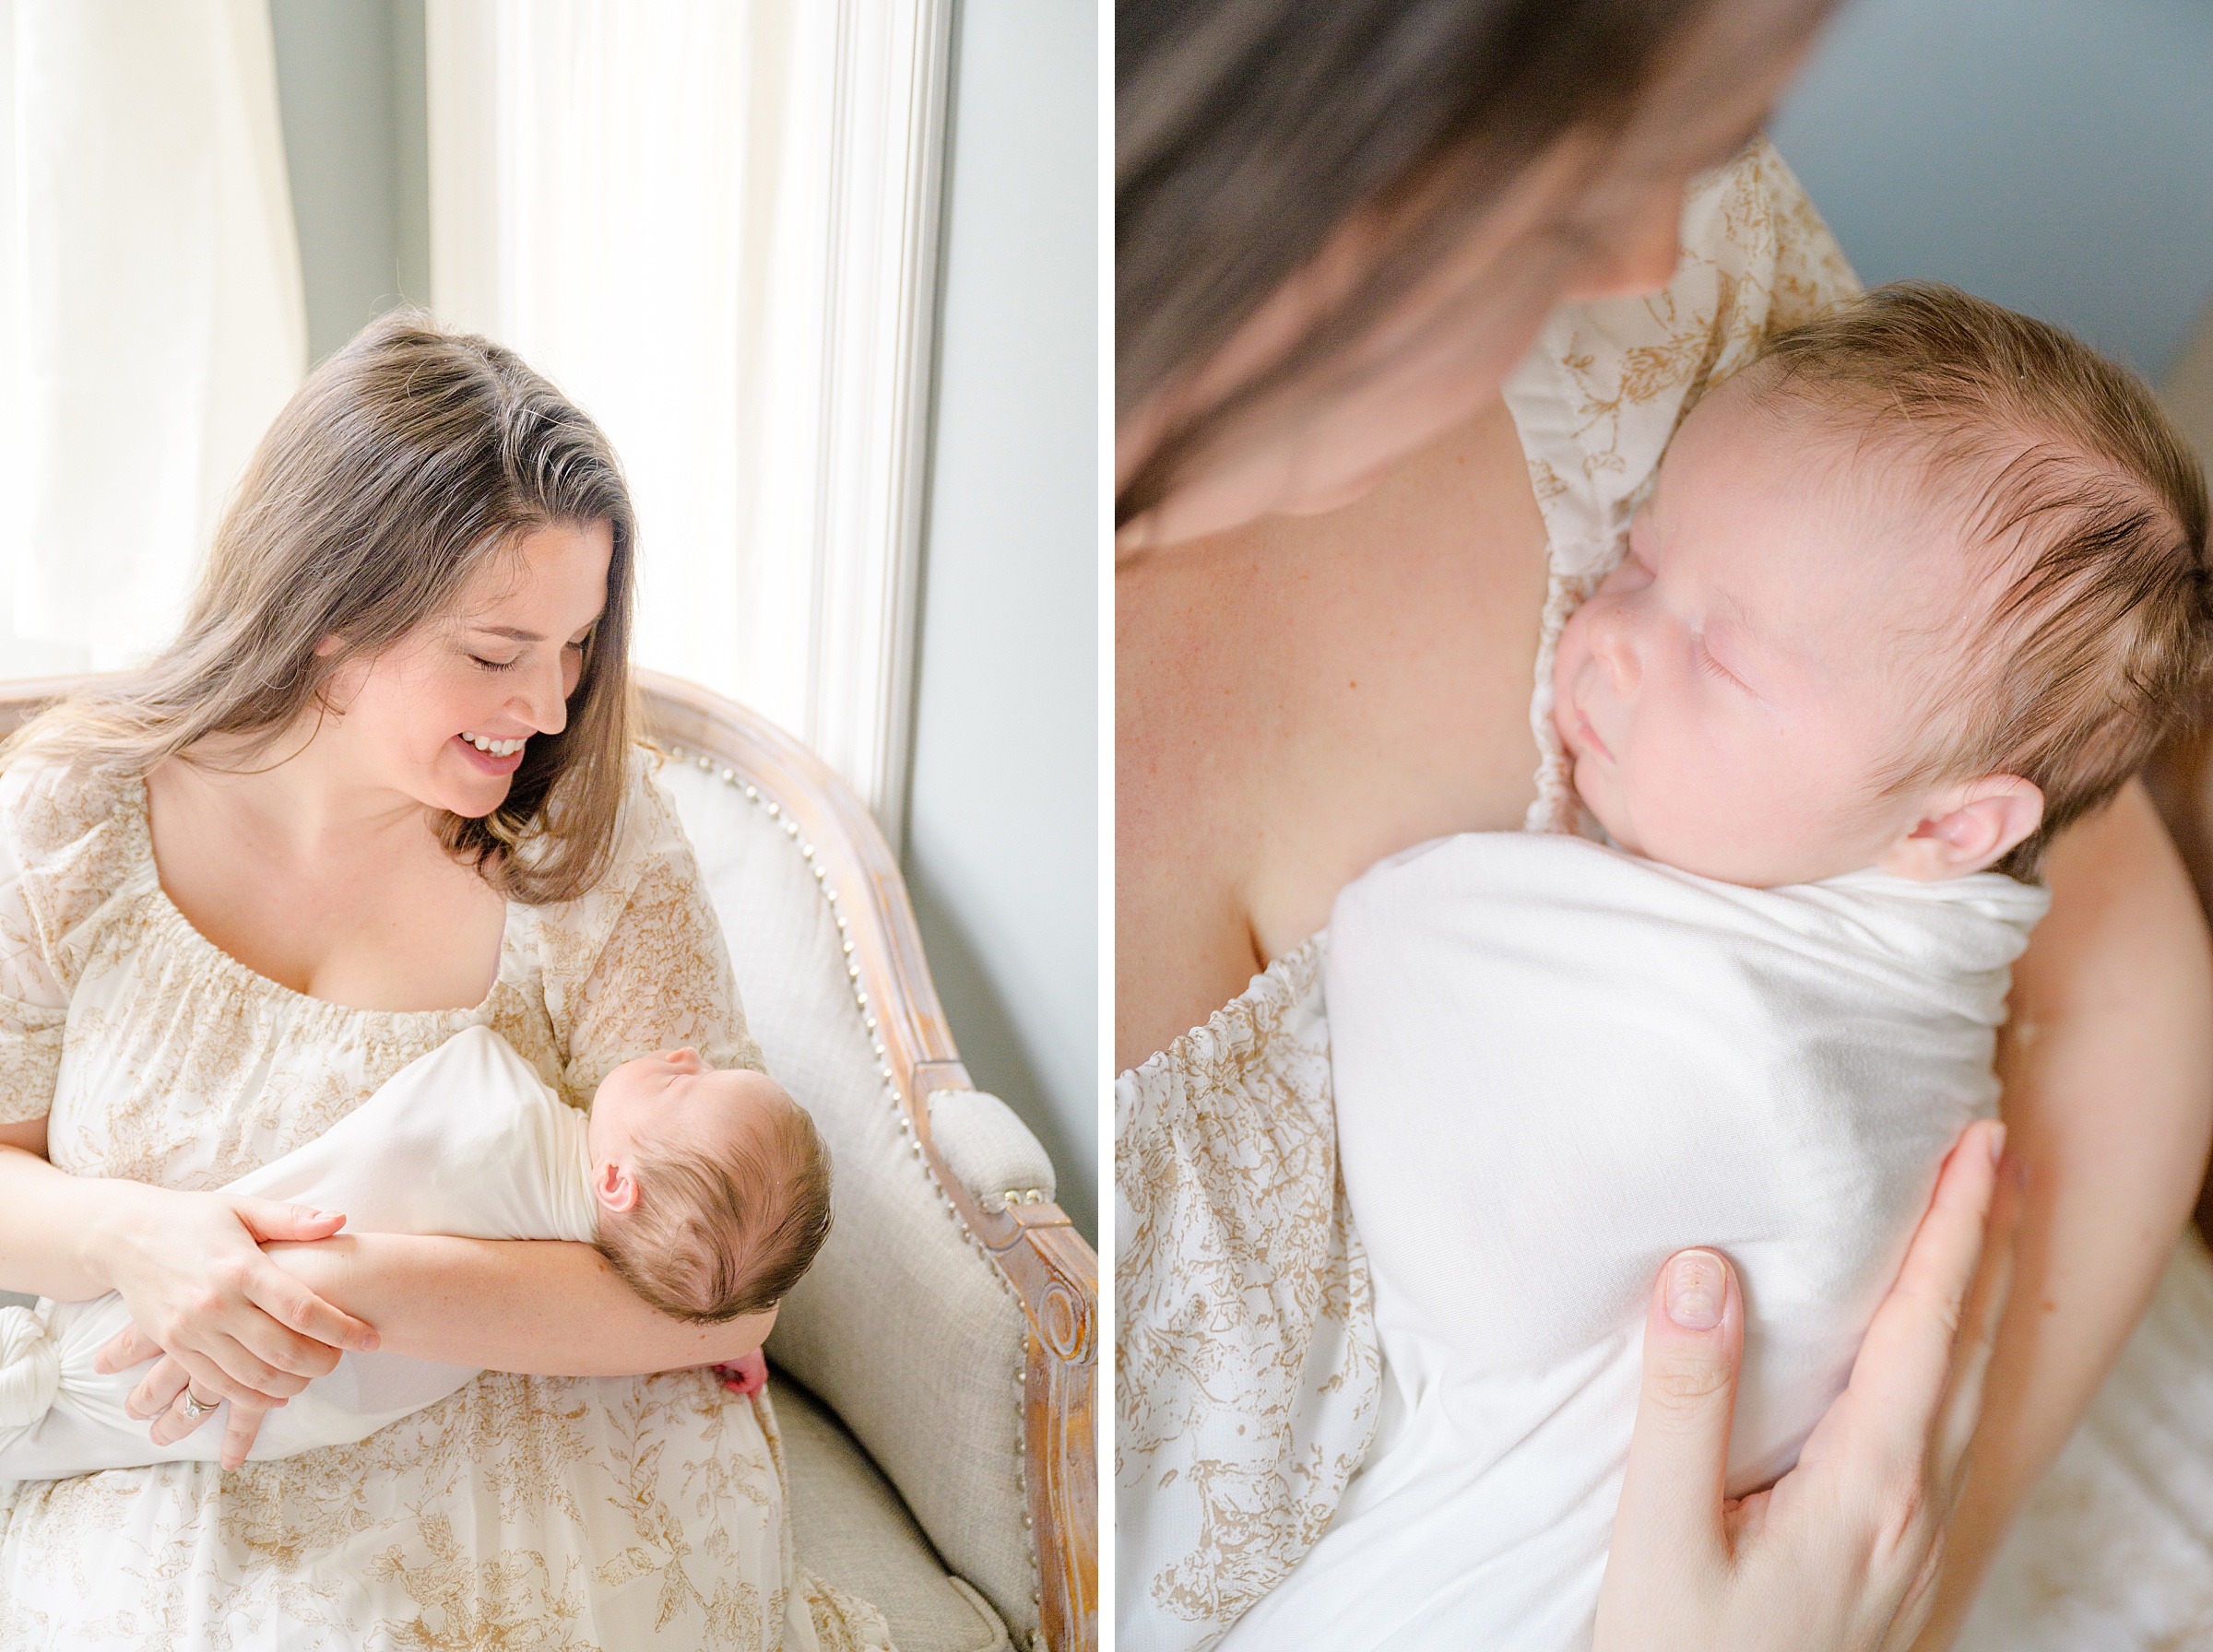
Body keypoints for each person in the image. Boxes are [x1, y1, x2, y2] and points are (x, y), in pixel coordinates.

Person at [1115, 5, 2213, 1650]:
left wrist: (1902, 1584)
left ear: (1954, 827)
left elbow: (2113, 963)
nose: (1651, 252)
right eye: (1629, 561)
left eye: (1697, 138)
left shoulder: (1746, 336)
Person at [0, 313, 886, 1649]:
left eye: (577, 646)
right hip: (183, 1445)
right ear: (331, 617)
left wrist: (351, 1290)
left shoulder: (590, 839)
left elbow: (738, 1281)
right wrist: (142, 1240)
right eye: (495, 651)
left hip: (552, 1469)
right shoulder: (74, 816)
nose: (546, 706)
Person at [0, 1028, 832, 1477]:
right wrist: (708, 1327)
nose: (685, 1054)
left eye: (687, 1084)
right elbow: (707, 1298)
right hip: (285, 1372)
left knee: (100, 1382)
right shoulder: (593, 1280)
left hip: (222, 1340)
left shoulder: (500, 1120)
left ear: (616, 1183)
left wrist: (721, 1326)